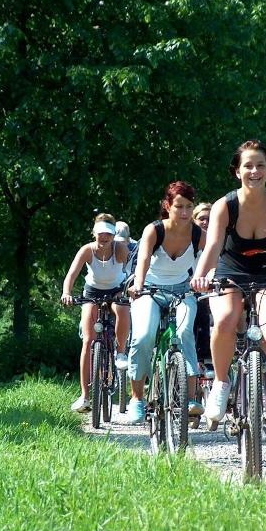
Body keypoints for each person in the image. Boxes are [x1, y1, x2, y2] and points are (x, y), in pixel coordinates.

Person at [191, 140, 266, 448]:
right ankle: (221, 382)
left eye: (261, 165)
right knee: (225, 319)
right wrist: (200, 276)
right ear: (237, 171)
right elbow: (212, 246)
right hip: (231, 270)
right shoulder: (226, 205)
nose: (254, 171)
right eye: (248, 165)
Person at [125, 181, 207, 424]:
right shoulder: (155, 230)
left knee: (184, 333)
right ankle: (137, 399)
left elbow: (212, 260)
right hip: (149, 290)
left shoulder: (198, 234)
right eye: (179, 206)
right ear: (167, 206)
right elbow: (143, 260)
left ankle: (190, 399)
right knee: (143, 336)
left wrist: (206, 279)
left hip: (183, 290)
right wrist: (138, 285)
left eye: (189, 206)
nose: (185, 212)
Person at [61, 213, 130, 412]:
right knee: (88, 340)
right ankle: (84, 396)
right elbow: (71, 274)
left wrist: (131, 288)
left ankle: (120, 352)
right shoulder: (87, 250)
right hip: (92, 292)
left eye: (108, 234)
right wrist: (67, 293)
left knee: (122, 309)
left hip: (116, 290)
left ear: (113, 234)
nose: (104, 237)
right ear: (94, 233)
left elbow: (132, 271)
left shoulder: (120, 249)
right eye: (100, 233)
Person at [192, 203, 213, 368]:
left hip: (214, 288)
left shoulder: (219, 241)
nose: (206, 222)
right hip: (190, 290)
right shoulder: (187, 241)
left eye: (209, 219)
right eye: (202, 218)